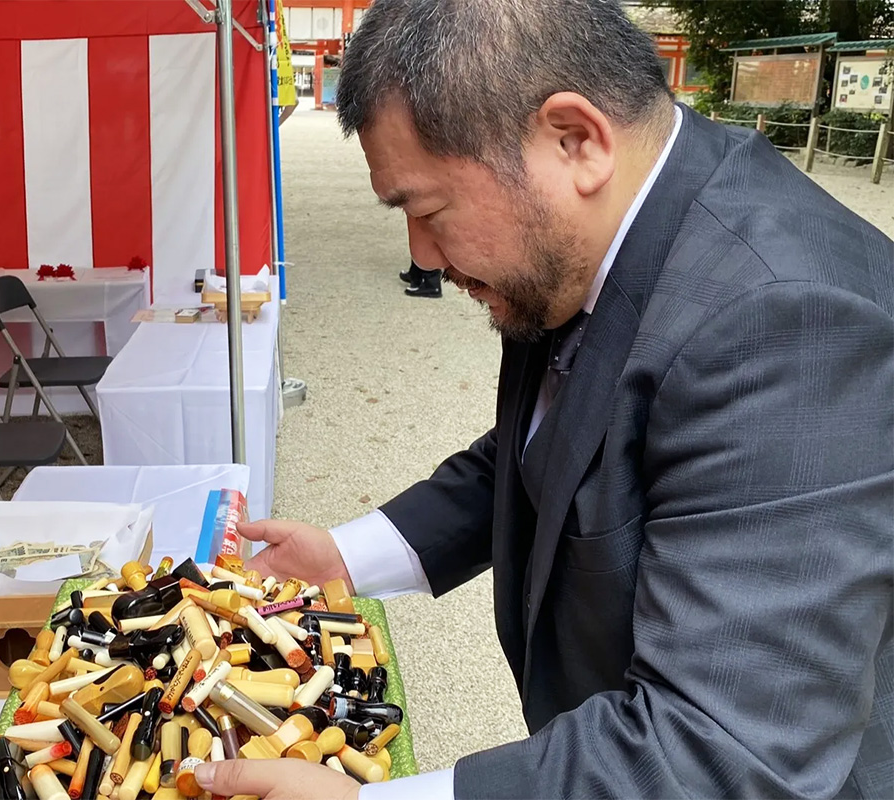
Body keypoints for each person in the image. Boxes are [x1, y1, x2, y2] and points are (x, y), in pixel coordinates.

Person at [191, 1, 894, 799]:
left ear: (575, 139)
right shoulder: (599, 236)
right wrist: (348, 557)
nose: (423, 256)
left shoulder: (785, 322)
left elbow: (721, 750)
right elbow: (549, 446)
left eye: (428, 211)